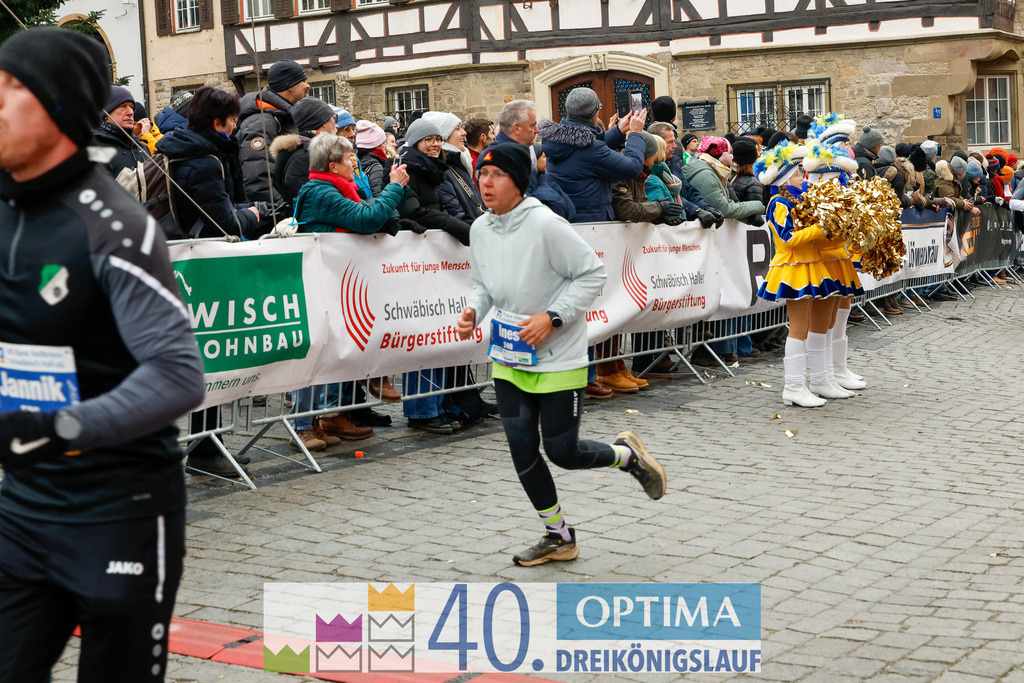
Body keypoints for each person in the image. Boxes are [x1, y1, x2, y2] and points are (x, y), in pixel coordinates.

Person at [0, 28, 205, 682]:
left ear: (59, 106)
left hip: (120, 509)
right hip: (23, 507)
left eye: (12, 88)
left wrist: (60, 425)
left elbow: (178, 375)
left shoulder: (113, 224)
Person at [457, 143, 666, 566]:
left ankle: (627, 457)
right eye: (482, 174)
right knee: (522, 449)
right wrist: (473, 311)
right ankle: (559, 536)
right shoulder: (480, 228)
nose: (485, 183)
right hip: (510, 357)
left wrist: (552, 317)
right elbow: (483, 284)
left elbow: (592, 274)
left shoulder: (545, 224)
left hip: (558, 357)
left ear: (518, 182)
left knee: (562, 452)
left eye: (496, 175)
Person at [754, 140, 838, 407]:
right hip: (792, 266)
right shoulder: (778, 203)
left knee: (806, 326)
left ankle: (812, 382)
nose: (802, 177)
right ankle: (793, 386)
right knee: (799, 328)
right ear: (784, 179)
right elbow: (788, 238)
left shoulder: (795, 201)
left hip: (807, 264)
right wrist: (819, 228)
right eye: (797, 174)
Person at [156, 86, 263, 240]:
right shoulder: (204, 164)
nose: (234, 126)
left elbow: (216, 207)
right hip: (200, 249)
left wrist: (256, 207)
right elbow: (224, 226)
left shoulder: (185, 148)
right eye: (232, 120)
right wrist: (251, 215)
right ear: (217, 123)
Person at [802, 140, 866, 395]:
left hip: (839, 255)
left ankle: (837, 369)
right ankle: (825, 375)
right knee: (825, 318)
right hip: (825, 257)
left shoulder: (837, 190)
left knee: (841, 308)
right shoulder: (814, 193)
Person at [540, 86, 647, 222]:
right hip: (592, 224)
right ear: (594, 113)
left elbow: (586, 147)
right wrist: (635, 134)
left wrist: (619, 131)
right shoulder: (593, 150)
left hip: (567, 219)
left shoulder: (556, 141)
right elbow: (633, 167)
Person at [236, 59, 308, 210]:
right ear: (290, 85)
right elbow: (257, 179)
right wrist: (282, 210)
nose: (308, 86)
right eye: (303, 81)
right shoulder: (262, 122)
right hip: (272, 215)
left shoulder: (282, 116)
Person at [270, 96, 337, 208]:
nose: (336, 124)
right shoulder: (305, 157)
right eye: (334, 118)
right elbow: (310, 203)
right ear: (324, 122)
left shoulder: (309, 152)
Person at [682, 136, 765, 224]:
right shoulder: (707, 176)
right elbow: (725, 210)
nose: (732, 156)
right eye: (730, 153)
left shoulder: (715, 172)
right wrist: (759, 205)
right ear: (722, 155)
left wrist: (748, 219)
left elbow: (728, 203)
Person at [426, 111, 485, 224]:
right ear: (444, 137)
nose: (464, 132)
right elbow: (455, 214)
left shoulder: (458, 162)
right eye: (457, 129)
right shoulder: (442, 169)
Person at [94, 85, 151, 197]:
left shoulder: (142, 147)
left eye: (132, 107)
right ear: (106, 114)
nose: (130, 112)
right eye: (123, 106)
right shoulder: (95, 147)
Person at [355, 119, 389, 197]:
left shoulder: (358, 161)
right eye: (383, 143)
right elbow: (380, 197)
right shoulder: (376, 168)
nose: (385, 146)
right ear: (376, 145)